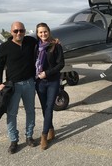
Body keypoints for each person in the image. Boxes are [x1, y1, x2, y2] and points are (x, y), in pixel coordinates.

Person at [0, 21, 37, 154]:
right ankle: (14, 140)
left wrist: (55, 42)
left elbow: (44, 41)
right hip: (13, 86)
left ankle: (29, 136)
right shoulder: (5, 47)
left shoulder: (31, 42)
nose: (19, 33)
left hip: (29, 84)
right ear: (11, 32)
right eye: (16, 31)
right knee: (12, 113)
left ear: (25, 31)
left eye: (21, 30)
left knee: (30, 111)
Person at [35, 22, 65, 150]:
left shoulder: (55, 45)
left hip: (52, 81)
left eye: (45, 31)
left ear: (49, 31)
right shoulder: (35, 46)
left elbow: (61, 64)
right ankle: (51, 129)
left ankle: (44, 135)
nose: (43, 34)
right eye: (40, 32)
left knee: (49, 108)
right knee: (44, 108)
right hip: (39, 82)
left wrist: (46, 73)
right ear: (37, 34)